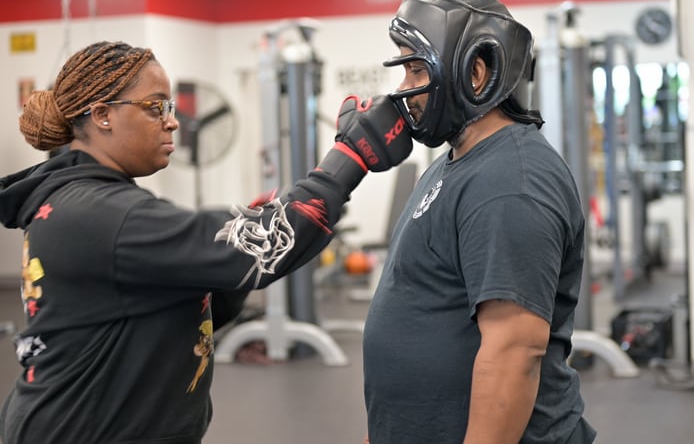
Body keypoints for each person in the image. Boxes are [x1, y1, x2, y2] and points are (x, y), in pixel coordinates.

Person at [0, 40, 412, 444]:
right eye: (155, 106)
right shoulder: (101, 212)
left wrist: (217, 264)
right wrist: (351, 157)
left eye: (170, 106)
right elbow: (267, 244)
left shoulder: (86, 202)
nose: (173, 120)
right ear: (103, 115)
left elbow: (168, 303)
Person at [362, 0, 596, 443]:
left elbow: (515, 349)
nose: (405, 88)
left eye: (416, 68)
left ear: (475, 72)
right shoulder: (460, 160)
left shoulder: (510, 180)